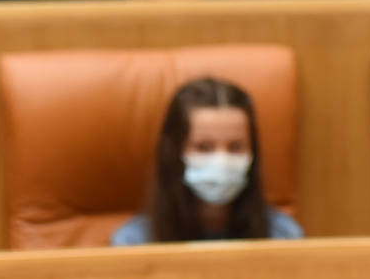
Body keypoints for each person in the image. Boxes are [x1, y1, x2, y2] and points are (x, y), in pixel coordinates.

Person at [110, 77, 303, 245]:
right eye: (203, 147)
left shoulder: (284, 237)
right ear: (174, 152)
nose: (222, 160)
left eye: (235, 147)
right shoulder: (133, 243)